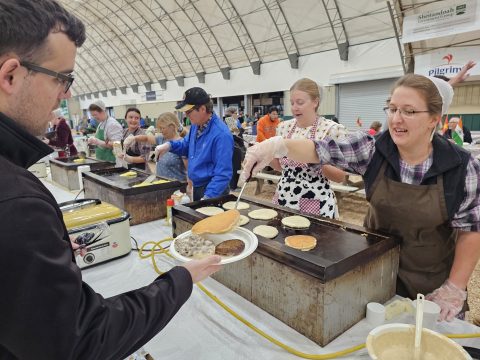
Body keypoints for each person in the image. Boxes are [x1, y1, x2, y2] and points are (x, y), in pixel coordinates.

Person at [0, 1, 221, 359]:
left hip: (207, 193)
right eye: (63, 78)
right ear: (11, 75)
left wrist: (205, 204)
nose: (67, 93)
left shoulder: (219, 133)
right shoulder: (15, 203)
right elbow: (83, 339)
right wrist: (180, 279)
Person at [241, 74, 480, 322]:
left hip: (430, 280)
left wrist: (454, 287)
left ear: (433, 119)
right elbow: (321, 149)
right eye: (393, 108)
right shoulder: (372, 149)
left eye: (409, 111)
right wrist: (278, 145)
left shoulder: (462, 167)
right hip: (373, 268)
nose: (397, 119)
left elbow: (471, 229)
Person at [272, 78, 347, 218]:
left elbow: (339, 176)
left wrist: (313, 158)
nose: (294, 107)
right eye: (292, 103)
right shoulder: (283, 128)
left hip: (316, 201)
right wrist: (266, 153)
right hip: (284, 197)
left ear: (315, 102)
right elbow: (280, 167)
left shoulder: (331, 130)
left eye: (300, 102)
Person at [155, 87, 233, 201]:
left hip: (214, 190)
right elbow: (186, 145)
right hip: (198, 186)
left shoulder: (221, 135)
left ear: (202, 109)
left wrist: (209, 197)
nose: (186, 115)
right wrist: (169, 146)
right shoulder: (196, 126)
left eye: (188, 111)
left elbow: (222, 174)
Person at [133, 112, 189, 183]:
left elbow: (189, 169)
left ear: (172, 126)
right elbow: (146, 138)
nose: (161, 131)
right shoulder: (161, 139)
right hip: (161, 184)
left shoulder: (182, 144)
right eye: (160, 128)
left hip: (176, 186)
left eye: (163, 128)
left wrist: (189, 186)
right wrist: (133, 138)